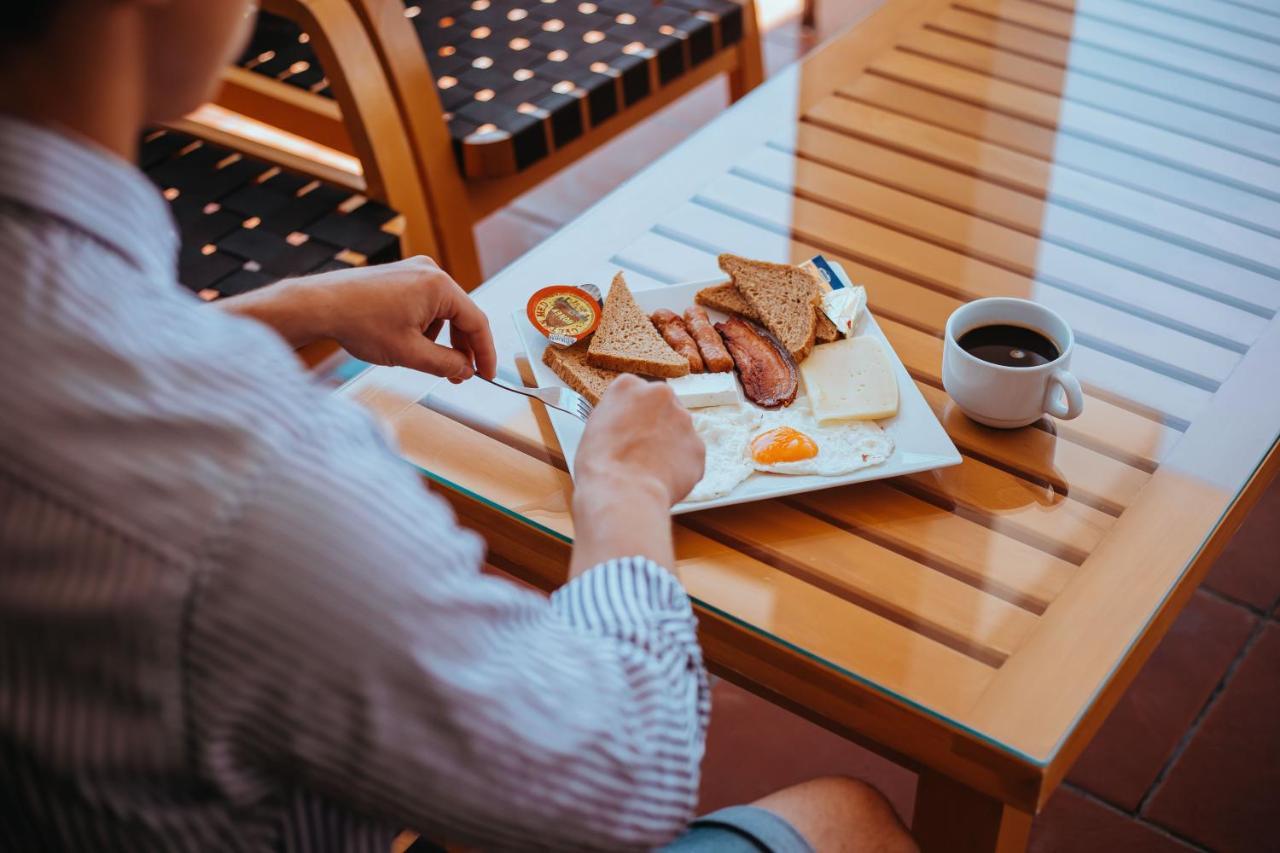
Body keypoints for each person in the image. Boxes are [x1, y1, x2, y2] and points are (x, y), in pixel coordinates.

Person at [0, 2, 916, 851]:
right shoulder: (253, 478)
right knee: (852, 817)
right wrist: (626, 487)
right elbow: (620, 778)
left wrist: (289, 307)